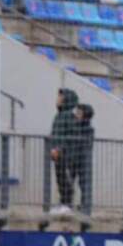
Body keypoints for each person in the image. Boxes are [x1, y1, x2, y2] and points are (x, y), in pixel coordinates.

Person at [49, 88, 78, 216]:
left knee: (66, 179)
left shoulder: (69, 116)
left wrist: (59, 149)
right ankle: (62, 202)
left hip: (67, 155)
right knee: (60, 179)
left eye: (61, 97)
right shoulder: (58, 116)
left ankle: (67, 204)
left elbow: (70, 136)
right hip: (58, 154)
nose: (58, 99)